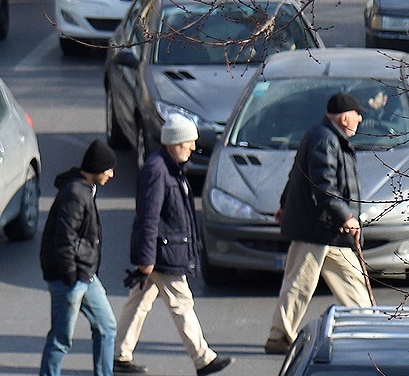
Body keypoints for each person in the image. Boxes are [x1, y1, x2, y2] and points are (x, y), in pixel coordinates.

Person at [113, 114, 234, 376]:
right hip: (162, 253)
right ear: (174, 142)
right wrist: (146, 258)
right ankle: (203, 359)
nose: (193, 147)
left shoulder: (169, 167)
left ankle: (119, 355)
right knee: (181, 302)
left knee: (138, 302)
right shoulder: (158, 171)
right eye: (189, 142)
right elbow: (148, 217)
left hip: (162, 250)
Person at [263, 92, 372, 355]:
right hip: (316, 228)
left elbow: (297, 174)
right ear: (345, 117)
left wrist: (285, 203)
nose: (360, 120)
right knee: (299, 284)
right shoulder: (325, 140)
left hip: (330, 228)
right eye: (358, 115)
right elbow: (324, 185)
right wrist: (345, 214)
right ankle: (279, 337)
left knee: (352, 279)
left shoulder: (327, 137)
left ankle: (369, 326)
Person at [38, 139, 119, 376]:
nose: (112, 175)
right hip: (69, 277)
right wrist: (70, 276)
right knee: (61, 338)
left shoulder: (86, 189)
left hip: (85, 273)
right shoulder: (75, 194)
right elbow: (64, 239)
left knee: (107, 326)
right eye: (109, 169)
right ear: (96, 168)